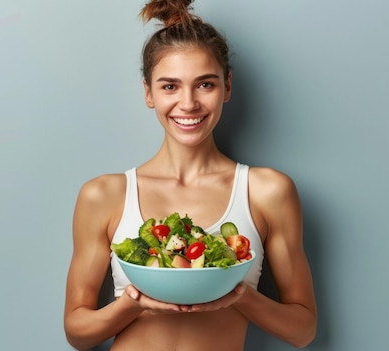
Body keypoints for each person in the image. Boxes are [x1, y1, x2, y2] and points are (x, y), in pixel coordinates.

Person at [63, 0, 317, 350]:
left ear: (227, 87)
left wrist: (237, 295)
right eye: (169, 86)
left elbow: (303, 330)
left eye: (204, 85)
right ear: (148, 93)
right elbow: (77, 332)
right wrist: (134, 302)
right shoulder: (104, 195)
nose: (188, 104)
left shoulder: (267, 191)